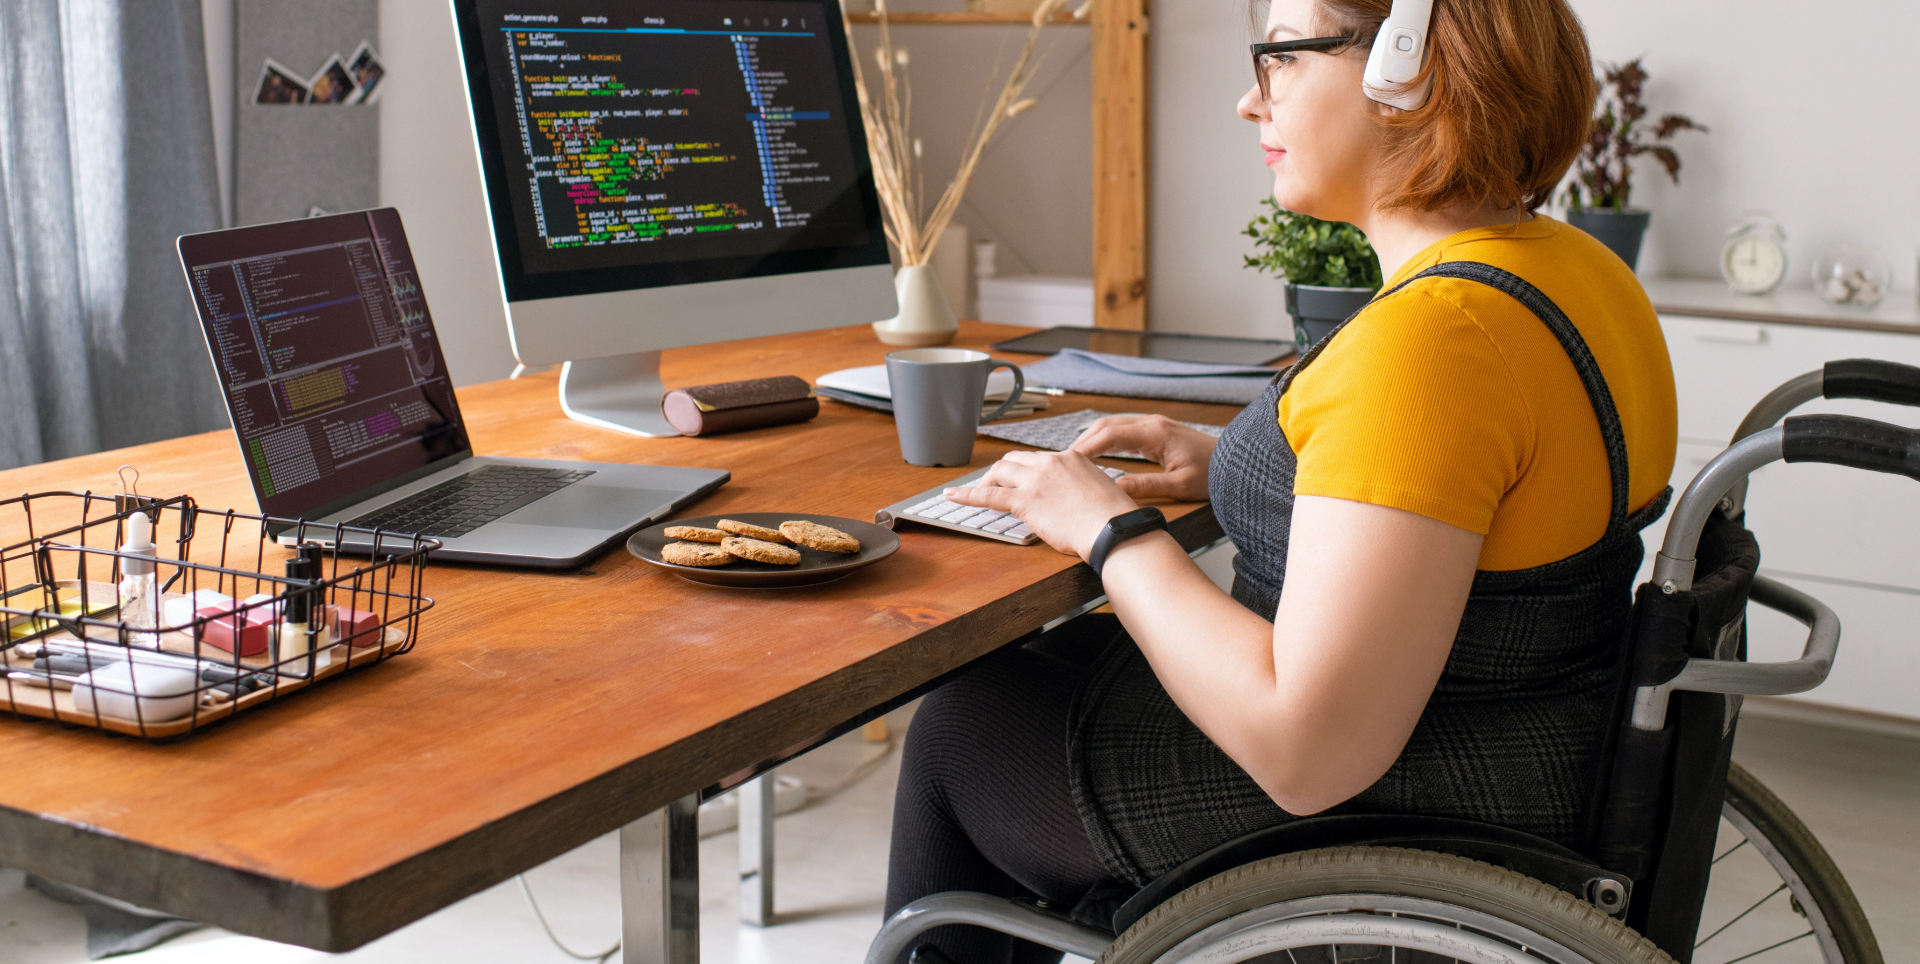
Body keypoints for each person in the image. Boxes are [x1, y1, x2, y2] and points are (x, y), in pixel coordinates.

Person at [882, 0, 1678, 960]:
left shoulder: (1435, 341)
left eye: (1281, 60)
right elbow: (1477, 501)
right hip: (1524, 747)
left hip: (1405, 798)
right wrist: (1230, 460)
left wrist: (1105, 531)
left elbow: (1309, 750)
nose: (1245, 103)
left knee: (962, 729)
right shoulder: (1576, 271)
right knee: (1026, 671)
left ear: (1407, 67)